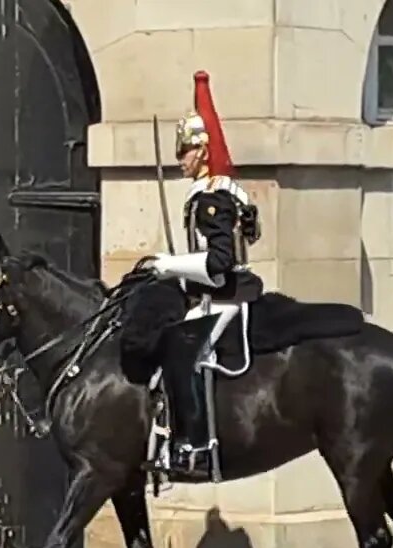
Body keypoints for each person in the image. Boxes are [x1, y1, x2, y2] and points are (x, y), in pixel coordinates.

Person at [140, 70, 264, 480]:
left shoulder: (213, 198)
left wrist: (168, 265)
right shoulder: (221, 193)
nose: (181, 159)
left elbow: (219, 261)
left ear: (204, 151)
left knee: (181, 354)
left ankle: (192, 446)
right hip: (217, 293)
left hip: (224, 296)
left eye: (186, 151)